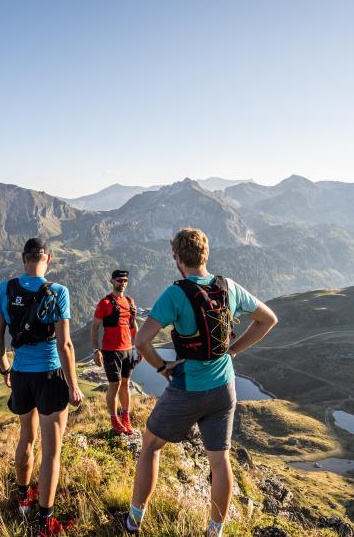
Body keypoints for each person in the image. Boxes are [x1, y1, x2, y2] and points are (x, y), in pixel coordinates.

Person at [125, 228, 278, 536]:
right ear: (205, 255)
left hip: (188, 388)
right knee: (219, 461)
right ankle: (215, 531)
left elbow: (141, 341)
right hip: (225, 387)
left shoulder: (175, 294)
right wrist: (232, 350)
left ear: (177, 258)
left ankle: (133, 522)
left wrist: (162, 367)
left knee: (151, 446)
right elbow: (268, 319)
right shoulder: (229, 287)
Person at [0, 238, 84, 536]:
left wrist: (6, 367)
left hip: (20, 374)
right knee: (52, 452)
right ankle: (45, 522)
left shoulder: (5, 289)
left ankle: (23, 501)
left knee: (26, 439)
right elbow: (65, 343)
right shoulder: (58, 292)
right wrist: (74, 385)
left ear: (24, 258)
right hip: (49, 375)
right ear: (49, 258)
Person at [91, 269, 139, 435]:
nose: (122, 283)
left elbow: (133, 325)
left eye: (125, 280)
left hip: (127, 349)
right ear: (112, 281)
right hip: (111, 351)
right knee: (114, 384)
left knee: (126, 383)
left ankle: (126, 417)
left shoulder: (130, 301)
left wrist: (138, 346)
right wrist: (96, 350)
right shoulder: (104, 303)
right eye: (119, 280)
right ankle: (114, 419)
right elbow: (95, 328)